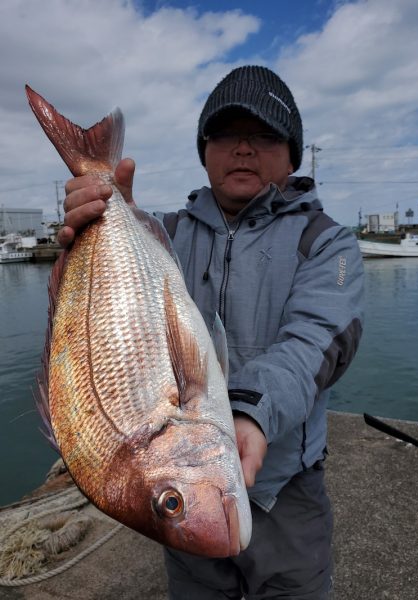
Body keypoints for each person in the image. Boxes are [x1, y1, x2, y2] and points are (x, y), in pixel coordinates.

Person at [60, 65, 364, 599]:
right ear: (204, 151)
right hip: (196, 490)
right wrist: (98, 225)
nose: (243, 149)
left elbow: (315, 341)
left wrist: (248, 413)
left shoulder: (326, 242)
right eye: (226, 135)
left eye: (265, 135)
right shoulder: (161, 233)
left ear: (292, 152)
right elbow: (97, 333)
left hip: (288, 490)